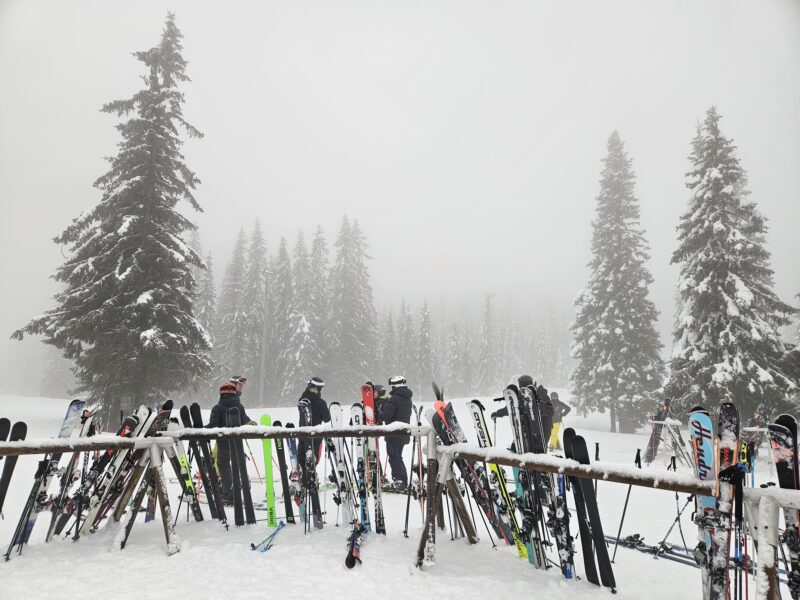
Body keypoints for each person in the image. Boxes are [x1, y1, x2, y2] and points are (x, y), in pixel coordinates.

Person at [208, 379, 254, 505]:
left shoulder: (218, 408)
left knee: (224, 467)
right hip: (237, 443)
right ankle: (238, 491)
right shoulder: (239, 406)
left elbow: (212, 426)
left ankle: (227, 494)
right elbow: (244, 420)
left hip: (223, 444)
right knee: (237, 465)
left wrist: (201, 430)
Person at [379, 375, 413, 490]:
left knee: (394, 458)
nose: (391, 389)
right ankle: (403, 481)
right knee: (398, 457)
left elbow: (386, 415)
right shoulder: (407, 398)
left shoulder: (394, 399)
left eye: (392, 386)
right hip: (403, 433)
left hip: (393, 433)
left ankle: (399, 482)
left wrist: (378, 412)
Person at [297, 377, 331, 470]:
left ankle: (302, 481)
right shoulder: (320, 402)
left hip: (302, 435)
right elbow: (327, 419)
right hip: (316, 436)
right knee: (313, 462)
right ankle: (311, 480)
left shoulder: (301, 400)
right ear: (318, 388)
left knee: (301, 461)